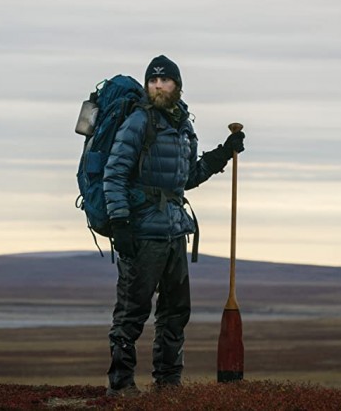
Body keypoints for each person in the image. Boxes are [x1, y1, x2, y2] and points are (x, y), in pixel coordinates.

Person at [103, 54, 245, 395]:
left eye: (164, 80)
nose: (158, 86)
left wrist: (222, 153)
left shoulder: (183, 125)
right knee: (132, 313)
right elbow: (114, 174)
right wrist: (120, 223)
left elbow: (187, 177)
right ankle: (120, 386)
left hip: (175, 231)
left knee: (176, 311)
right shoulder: (138, 122)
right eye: (152, 81)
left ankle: (168, 384)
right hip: (142, 232)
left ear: (177, 85)